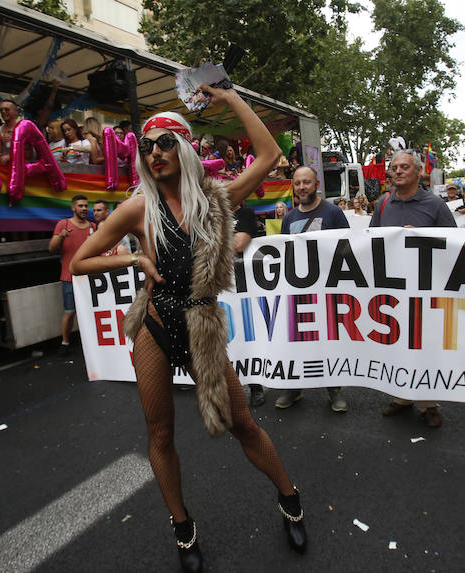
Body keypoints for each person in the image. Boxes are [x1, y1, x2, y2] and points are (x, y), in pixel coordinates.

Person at [70, 89, 306, 571]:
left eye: (163, 143)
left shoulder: (217, 199)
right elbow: (80, 261)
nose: (153, 153)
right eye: (146, 147)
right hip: (154, 324)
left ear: (184, 146)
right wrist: (136, 255)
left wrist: (229, 96)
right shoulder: (139, 208)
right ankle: (183, 530)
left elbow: (269, 155)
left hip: (201, 325)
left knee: (242, 422)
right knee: (160, 433)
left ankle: (290, 499)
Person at [370, 151, 456, 427]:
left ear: (419, 172)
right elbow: (371, 241)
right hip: (393, 290)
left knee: (425, 345)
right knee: (396, 343)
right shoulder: (383, 204)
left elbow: (454, 245)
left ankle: (428, 404)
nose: (397, 171)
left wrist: (421, 239)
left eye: (404, 167)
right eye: (394, 167)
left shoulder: (435, 205)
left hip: (425, 289)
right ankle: (402, 396)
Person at [274, 165, 350, 412]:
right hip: (299, 291)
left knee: (328, 340)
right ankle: (295, 388)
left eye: (306, 182)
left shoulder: (333, 213)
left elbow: (348, 249)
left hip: (327, 290)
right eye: (297, 183)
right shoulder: (290, 218)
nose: (301, 188)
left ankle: (334, 390)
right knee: (298, 341)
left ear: (316, 184)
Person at [49, 195, 92, 357]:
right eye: (80, 206)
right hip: (70, 277)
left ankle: (90, 342)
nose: (84, 209)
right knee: (70, 312)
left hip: (91, 278)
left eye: (86, 206)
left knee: (91, 311)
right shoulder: (63, 224)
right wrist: (61, 236)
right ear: (73, 208)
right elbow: (51, 248)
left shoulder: (93, 227)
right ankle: (65, 343)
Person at [232, 200, 264, 406]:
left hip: (245, 285)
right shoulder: (210, 214)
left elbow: (239, 244)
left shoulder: (245, 214)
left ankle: (255, 386)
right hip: (220, 285)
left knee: (247, 333)